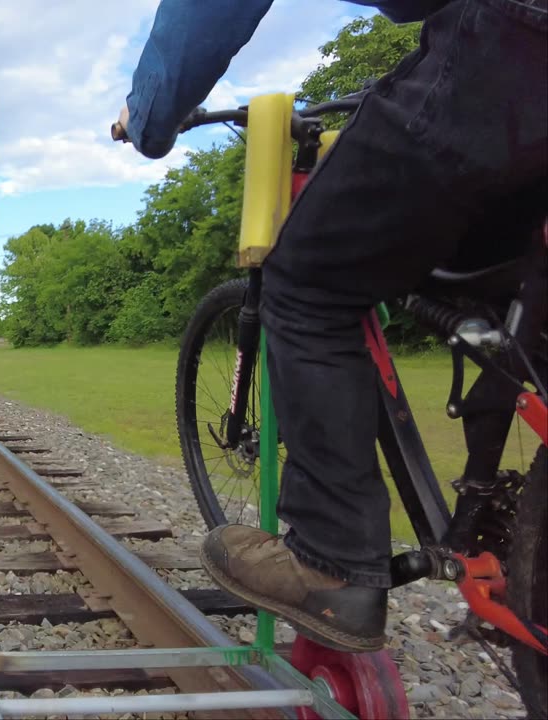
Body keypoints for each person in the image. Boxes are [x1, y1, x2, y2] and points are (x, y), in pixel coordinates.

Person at [115, 0, 546, 652]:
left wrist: (146, 117)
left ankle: (332, 562)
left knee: (307, 284)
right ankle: (491, 513)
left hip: (516, 40)